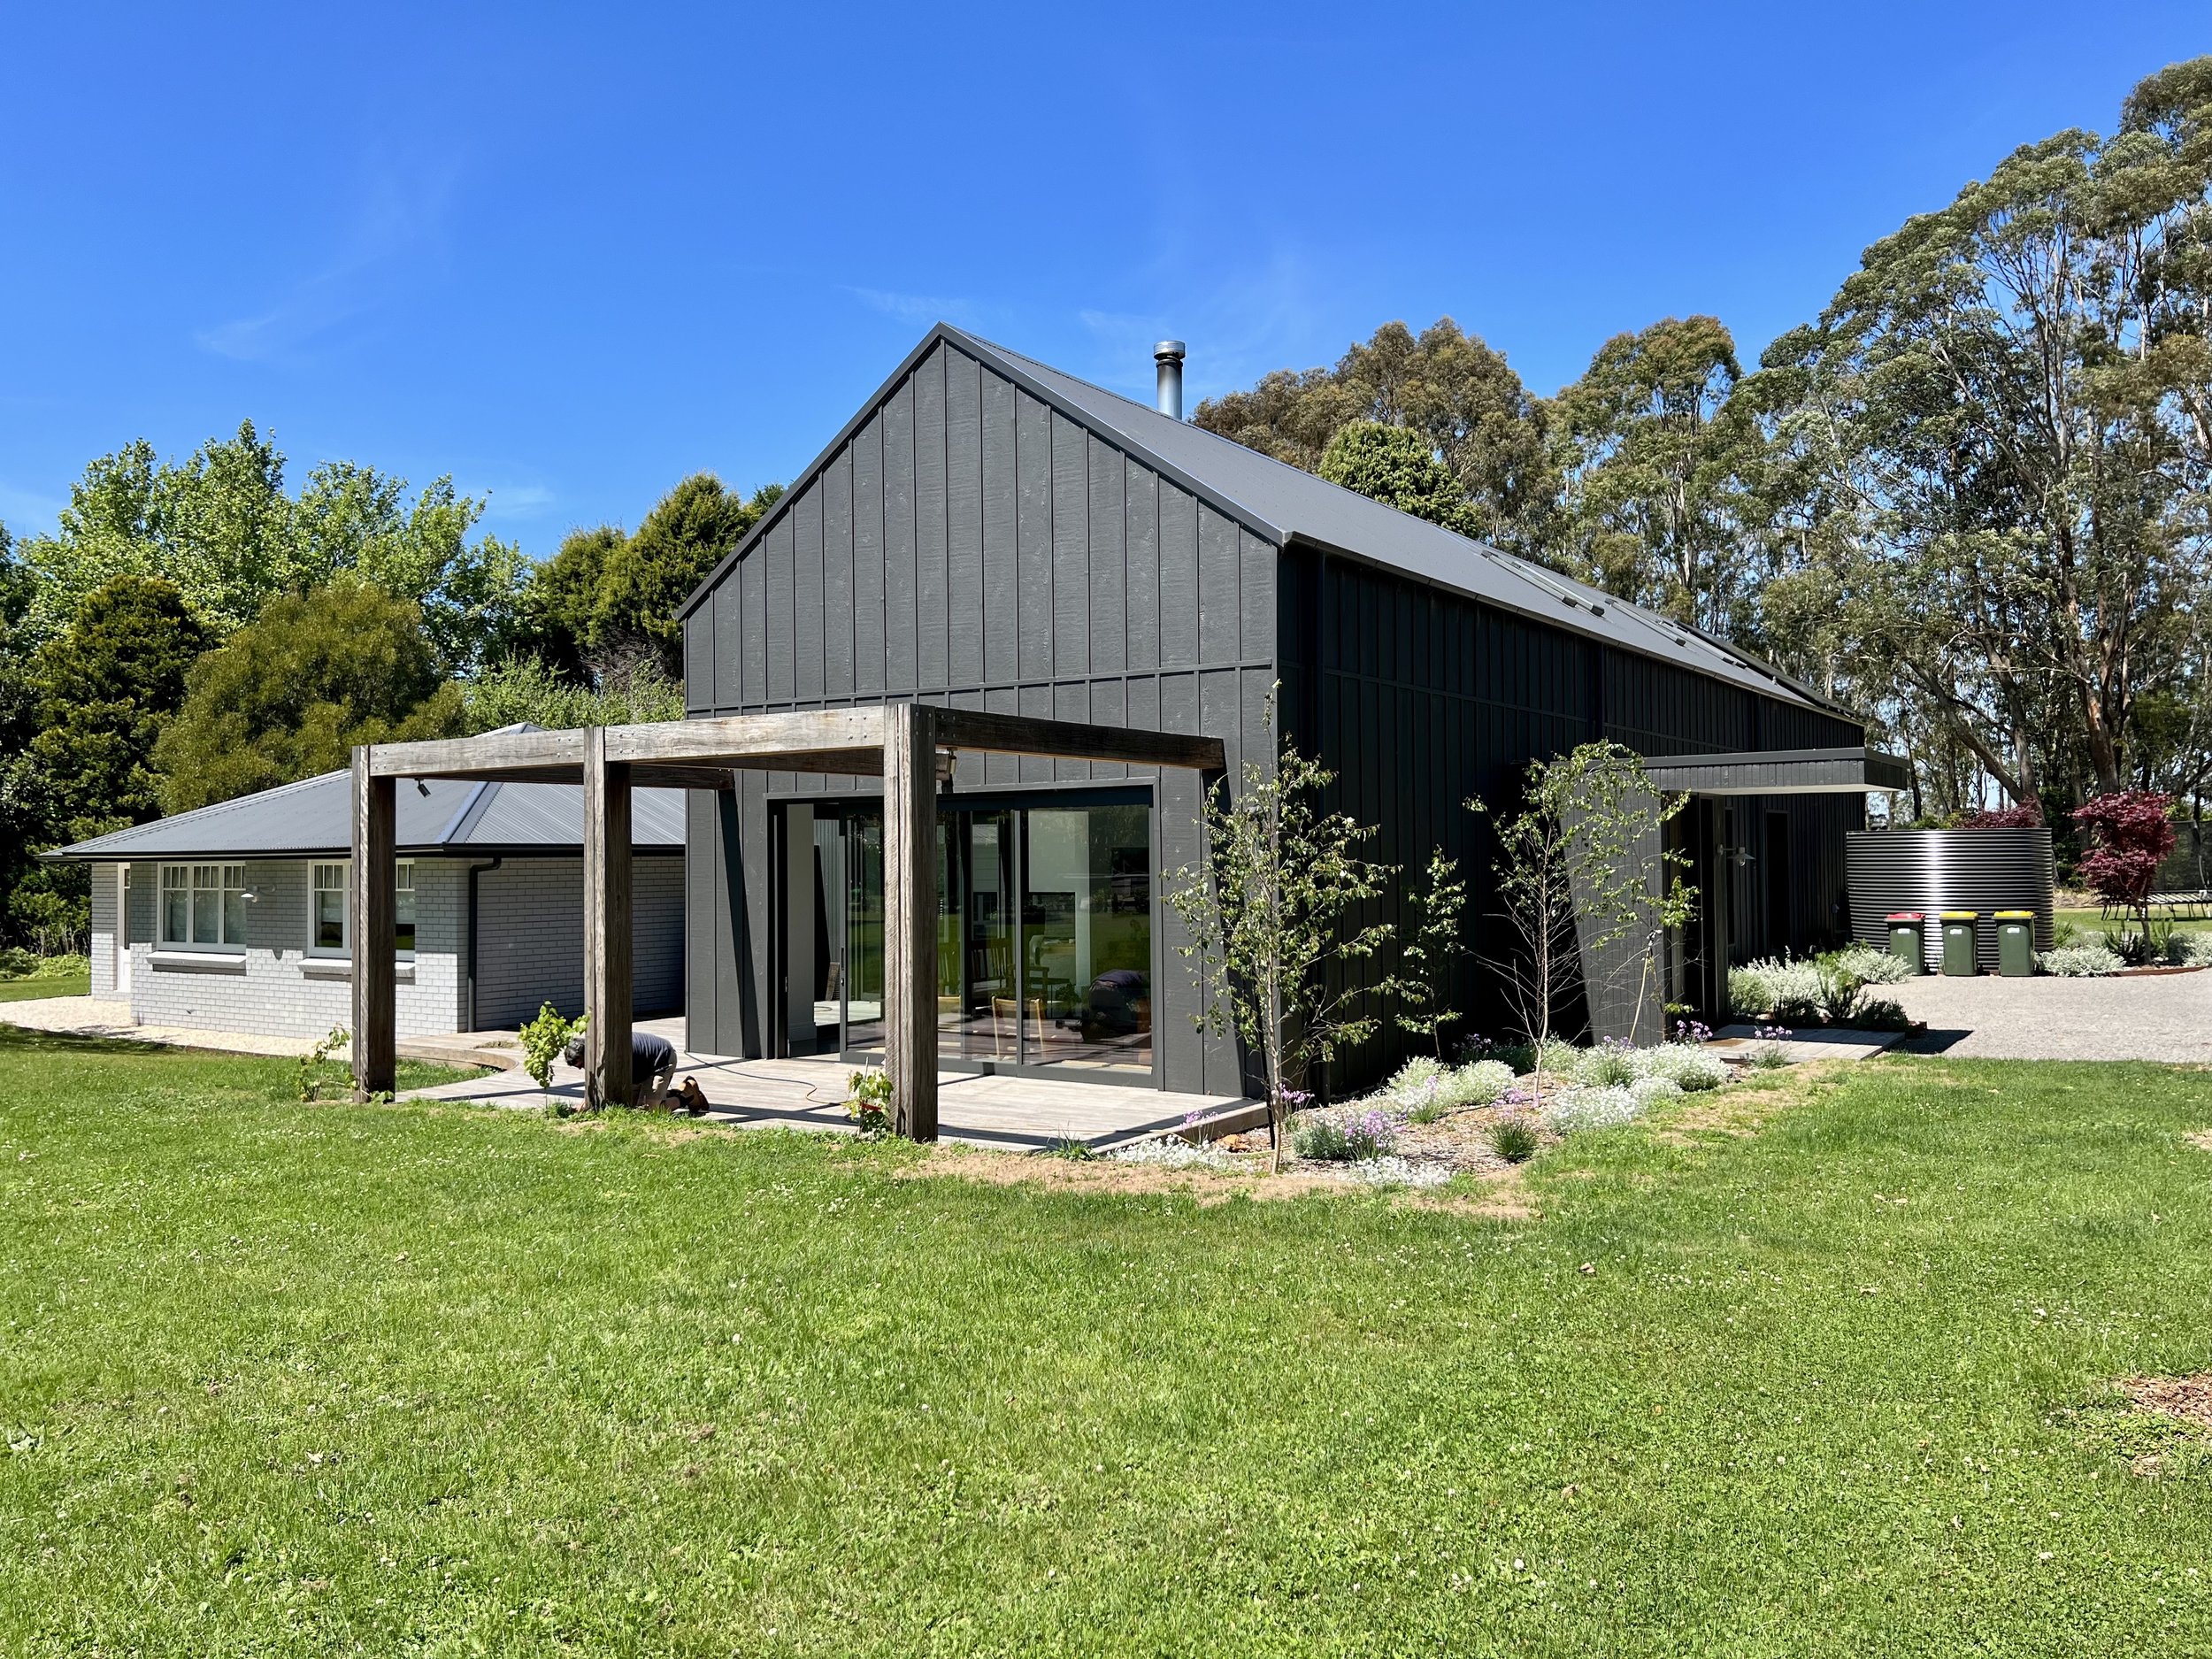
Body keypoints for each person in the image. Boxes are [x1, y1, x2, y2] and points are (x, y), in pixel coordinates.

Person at [564, 1026, 680, 1109]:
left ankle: (684, 1096)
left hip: (661, 1059)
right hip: (641, 1067)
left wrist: (584, 1106)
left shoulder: (608, 1057)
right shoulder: (595, 1053)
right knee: (629, 1106)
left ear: (587, 1055)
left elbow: (601, 1084)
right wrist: (584, 1105)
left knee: (647, 1110)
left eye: (582, 1064)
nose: (581, 1068)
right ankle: (670, 1093)